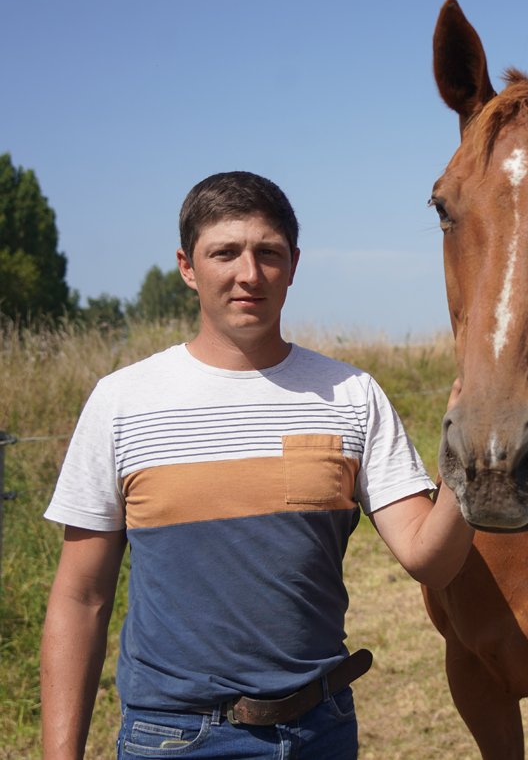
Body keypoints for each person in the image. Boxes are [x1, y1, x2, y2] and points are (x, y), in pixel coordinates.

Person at [41, 171, 474, 759]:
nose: (249, 273)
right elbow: (81, 599)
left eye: (268, 253)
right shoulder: (123, 402)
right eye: (225, 253)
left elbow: (432, 560)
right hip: (173, 738)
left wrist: (471, 450)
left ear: (293, 265)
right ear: (187, 267)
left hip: (319, 732)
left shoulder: (352, 395)